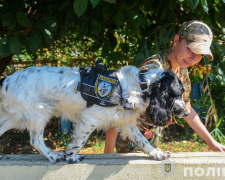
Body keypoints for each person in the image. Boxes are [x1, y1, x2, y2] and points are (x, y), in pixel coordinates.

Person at [104, 20, 225, 154]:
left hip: (152, 138)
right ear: (176, 40)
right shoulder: (152, 71)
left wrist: (211, 142)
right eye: (190, 49)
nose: (193, 58)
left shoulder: (181, 69)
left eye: (199, 55)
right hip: (131, 141)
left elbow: (187, 109)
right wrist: (107, 156)